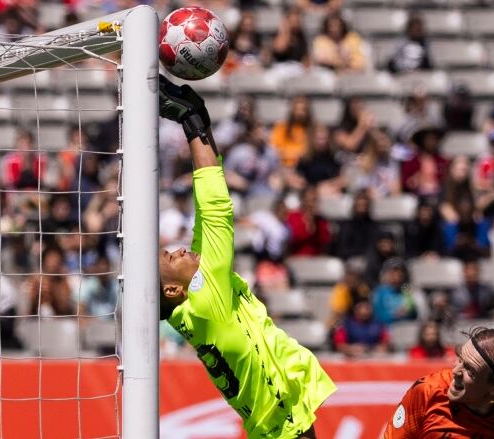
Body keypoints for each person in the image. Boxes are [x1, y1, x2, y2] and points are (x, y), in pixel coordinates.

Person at [157, 76, 336, 438]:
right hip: (284, 428)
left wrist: (201, 130)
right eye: (171, 258)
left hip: (273, 425)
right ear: (174, 290)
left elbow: (205, 216)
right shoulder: (207, 299)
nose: (178, 249)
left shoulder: (195, 307)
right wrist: (192, 124)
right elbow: (219, 210)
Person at [270, 95, 316, 168]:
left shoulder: (313, 129)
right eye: (297, 109)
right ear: (292, 110)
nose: (300, 113)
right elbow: (275, 152)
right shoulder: (281, 127)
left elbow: (313, 152)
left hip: (307, 168)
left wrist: (290, 153)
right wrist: (298, 153)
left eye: (303, 110)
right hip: (284, 167)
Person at [371, 258, 418, 326]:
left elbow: (415, 314)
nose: (396, 276)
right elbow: (378, 317)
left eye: (399, 272)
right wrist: (394, 316)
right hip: (387, 329)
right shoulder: (379, 292)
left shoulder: (407, 289)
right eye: (392, 272)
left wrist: (409, 312)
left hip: (406, 327)